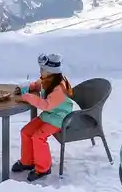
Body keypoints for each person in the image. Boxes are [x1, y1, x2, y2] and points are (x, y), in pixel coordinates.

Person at [11, 53, 76, 182]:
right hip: (49, 115)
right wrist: (28, 87)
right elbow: (38, 84)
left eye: (42, 69)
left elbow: (46, 105)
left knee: (38, 137)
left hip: (59, 118)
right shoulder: (48, 79)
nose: (40, 71)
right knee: (26, 132)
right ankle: (27, 161)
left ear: (51, 71)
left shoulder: (59, 88)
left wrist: (27, 97)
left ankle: (43, 168)